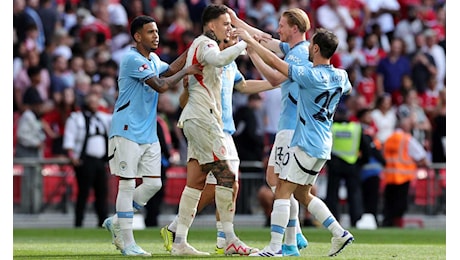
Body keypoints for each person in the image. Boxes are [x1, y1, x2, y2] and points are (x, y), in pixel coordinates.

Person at [237, 27, 354, 257]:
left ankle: (273, 247)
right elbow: (346, 90)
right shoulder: (342, 75)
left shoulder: (308, 75)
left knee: (282, 190)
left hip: (307, 141)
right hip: (323, 142)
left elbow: (274, 63)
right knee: (303, 194)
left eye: (311, 45)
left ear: (317, 48)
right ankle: (339, 233)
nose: (308, 48)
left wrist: (250, 41)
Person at [160, 27, 276, 255]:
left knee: (210, 182)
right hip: (209, 126)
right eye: (229, 30)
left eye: (234, 31)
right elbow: (184, 100)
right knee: (226, 180)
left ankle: (184, 233)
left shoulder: (230, 64)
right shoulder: (207, 58)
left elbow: (243, 86)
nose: (233, 33)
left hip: (224, 128)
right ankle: (224, 237)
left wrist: (275, 83)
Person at [100, 15, 201, 257]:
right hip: (126, 130)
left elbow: (171, 68)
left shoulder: (153, 59)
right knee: (126, 184)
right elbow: (161, 84)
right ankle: (126, 242)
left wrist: (196, 47)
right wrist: (188, 69)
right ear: (137, 36)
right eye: (150, 32)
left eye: (156, 31)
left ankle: (116, 221)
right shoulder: (132, 60)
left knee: (154, 183)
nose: (156, 35)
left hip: (147, 132)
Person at [229, 7, 311, 256]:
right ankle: (295, 234)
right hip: (290, 124)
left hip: (291, 125)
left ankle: (286, 242)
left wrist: (252, 51)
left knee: (281, 184)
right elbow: (264, 37)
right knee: (277, 181)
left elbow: (275, 79)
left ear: (294, 28)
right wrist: (236, 22)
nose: (278, 30)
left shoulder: (298, 56)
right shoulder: (295, 49)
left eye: (282, 25)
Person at [62, 92, 112, 228]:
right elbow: (69, 137)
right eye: (92, 103)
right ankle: (79, 222)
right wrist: (72, 156)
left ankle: (102, 221)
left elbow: (116, 120)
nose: (94, 105)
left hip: (100, 161)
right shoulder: (76, 118)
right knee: (83, 192)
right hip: (84, 160)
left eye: (96, 102)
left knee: (102, 192)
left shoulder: (103, 118)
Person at [325, 107, 370, 228]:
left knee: (332, 195)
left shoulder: (331, 127)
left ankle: (332, 221)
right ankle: (356, 220)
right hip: (352, 165)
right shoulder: (356, 128)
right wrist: (360, 163)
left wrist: (328, 163)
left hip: (335, 165)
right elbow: (366, 148)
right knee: (354, 195)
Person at [381, 115, 429, 227]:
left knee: (388, 203)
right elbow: (421, 155)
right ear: (405, 126)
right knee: (400, 203)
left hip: (389, 176)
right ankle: (397, 223)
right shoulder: (407, 139)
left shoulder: (389, 139)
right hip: (403, 176)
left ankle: (387, 222)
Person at [15, 87, 47, 214]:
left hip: (35, 155)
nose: (40, 107)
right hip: (28, 154)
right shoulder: (27, 116)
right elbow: (21, 136)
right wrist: (36, 143)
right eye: (38, 104)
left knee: (36, 183)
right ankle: (28, 209)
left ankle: (35, 208)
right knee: (29, 183)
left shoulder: (34, 117)